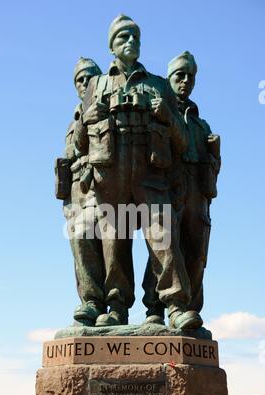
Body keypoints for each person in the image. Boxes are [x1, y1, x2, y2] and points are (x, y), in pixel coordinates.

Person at [72, 15, 191, 327]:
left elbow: (182, 141)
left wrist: (167, 115)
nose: (131, 42)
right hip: (111, 174)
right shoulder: (96, 85)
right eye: (123, 37)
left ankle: (175, 306)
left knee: (163, 236)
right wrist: (88, 118)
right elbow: (80, 143)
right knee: (114, 243)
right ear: (112, 46)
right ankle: (116, 307)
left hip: (150, 172)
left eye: (135, 37)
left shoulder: (158, 85)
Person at [142, 51, 221, 329]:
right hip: (169, 187)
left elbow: (211, 166)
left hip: (197, 195)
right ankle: (155, 308)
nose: (186, 81)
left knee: (196, 254)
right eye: (180, 75)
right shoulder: (159, 111)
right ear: (169, 79)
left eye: (190, 76)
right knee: (165, 248)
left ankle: (190, 311)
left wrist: (215, 154)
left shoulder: (201, 124)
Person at [57, 58, 105, 326]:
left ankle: (114, 305)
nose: (85, 83)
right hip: (78, 191)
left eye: (90, 77)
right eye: (80, 79)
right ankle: (91, 302)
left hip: (106, 184)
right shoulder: (74, 118)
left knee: (112, 244)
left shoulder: (106, 110)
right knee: (81, 240)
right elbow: (72, 154)